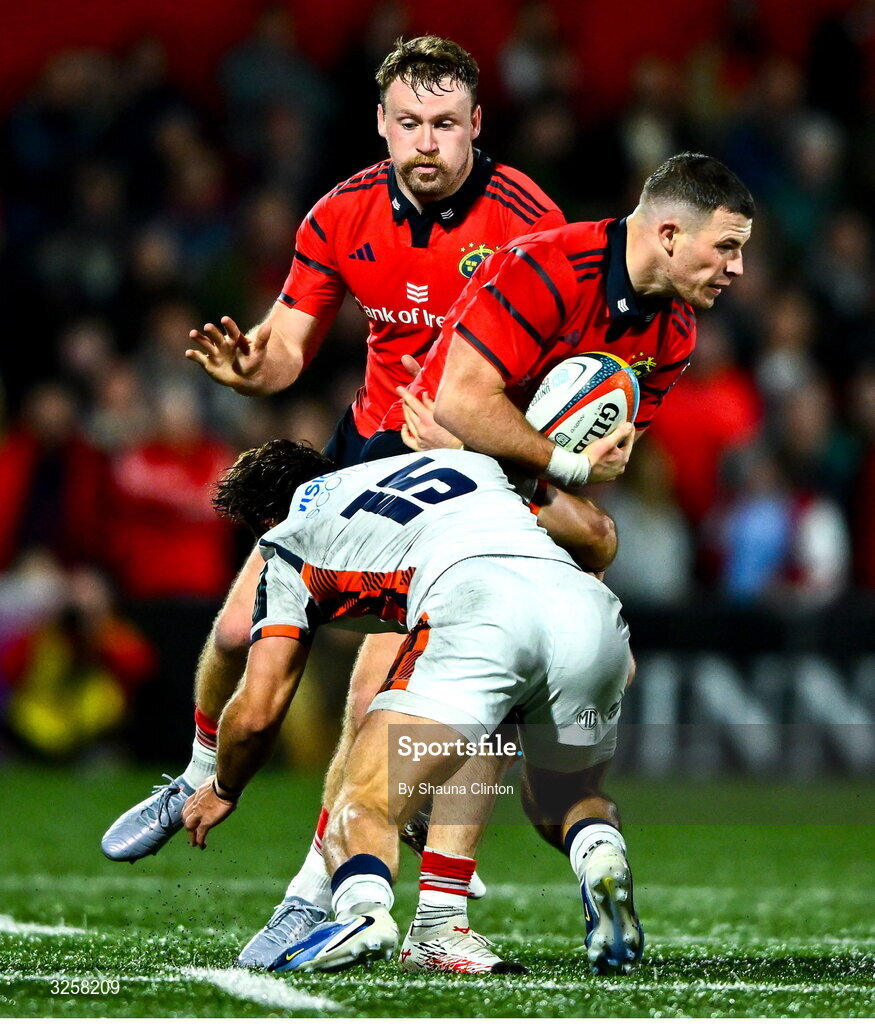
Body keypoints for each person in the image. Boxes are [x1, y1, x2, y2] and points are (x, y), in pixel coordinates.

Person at [102, 35, 610, 971]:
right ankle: (201, 772)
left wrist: (494, 441)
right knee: (229, 639)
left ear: (476, 127)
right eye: (409, 123)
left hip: (467, 475)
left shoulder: (528, 220)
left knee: (380, 693)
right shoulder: (340, 212)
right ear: (381, 123)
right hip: (362, 452)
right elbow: (288, 344)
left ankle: (316, 893)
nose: (427, 143)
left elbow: (562, 368)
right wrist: (254, 371)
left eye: (446, 125)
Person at [181, 439, 642, 976]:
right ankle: (598, 858)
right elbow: (593, 532)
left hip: (477, 611)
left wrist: (222, 787)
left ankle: (364, 912)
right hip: (588, 609)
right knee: (563, 800)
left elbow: (258, 713)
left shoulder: (288, 541)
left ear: (265, 518)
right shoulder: (459, 461)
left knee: (363, 798)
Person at [369, 152, 754, 478]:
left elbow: (607, 462)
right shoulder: (553, 266)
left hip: (500, 470)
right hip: (412, 453)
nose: (736, 266)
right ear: (669, 235)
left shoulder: (678, 333)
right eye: (726, 246)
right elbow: (459, 406)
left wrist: (558, 466)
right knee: (594, 536)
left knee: (598, 539)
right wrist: (568, 467)